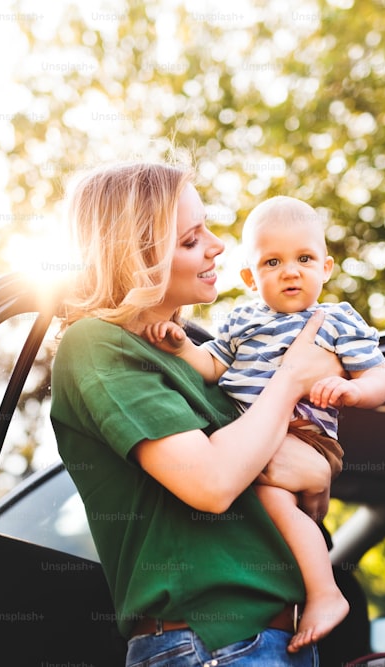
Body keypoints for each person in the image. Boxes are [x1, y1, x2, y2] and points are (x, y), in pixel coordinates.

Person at [50, 162, 348, 665]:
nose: (217, 245)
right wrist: (294, 375)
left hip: (274, 641)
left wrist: (309, 467)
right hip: (209, 643)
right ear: (135, 259)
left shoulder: (199, 358)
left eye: (206, 228)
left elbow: (306, 476)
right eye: (190, 240)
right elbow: (211, 482)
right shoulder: (96, 345)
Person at [142, 195, 385, 651]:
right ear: (249, 277)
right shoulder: (241, 321)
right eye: (273, 262)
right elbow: (212, 367)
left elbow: (379, 375)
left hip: (305, 434)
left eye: (304, 259)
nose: (291, 271)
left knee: (274, 503)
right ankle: (302, 590)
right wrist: (180, 347)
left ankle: (325, 594)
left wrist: (354, 391)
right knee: (266, 509)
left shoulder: (335, 321)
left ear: (327, 267)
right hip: (252, 430)